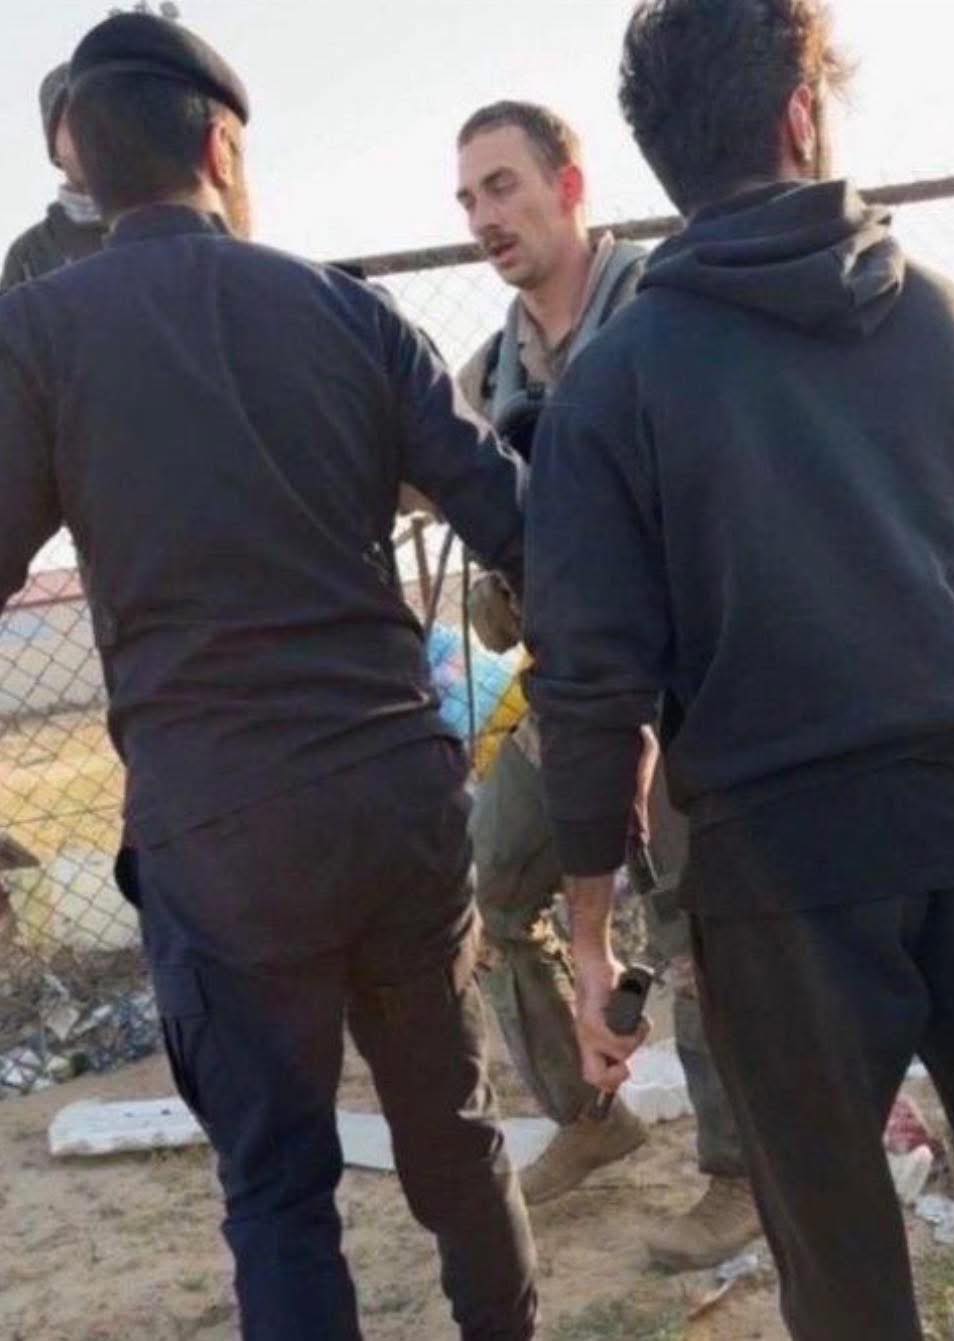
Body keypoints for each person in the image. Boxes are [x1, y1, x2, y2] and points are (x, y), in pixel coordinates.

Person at [522, 2, 954, 1338]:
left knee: (837, 1247)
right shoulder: (947, 321)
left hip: (783, 853)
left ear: (658, 151)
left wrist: (587, 929)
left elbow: (590, 689)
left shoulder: (613, 388)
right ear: (801, 112)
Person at [0, 14, 537, 1341]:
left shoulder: (40, 334)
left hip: (218, 828)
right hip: (395, 798)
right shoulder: (348, 310)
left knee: (279, 1191)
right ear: (223, 148)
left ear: (85, 171)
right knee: (455, 1136)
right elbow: (517, 520)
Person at [451, 99, 760, 1267]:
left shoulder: (663, 310)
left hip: (688, 683)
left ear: (569, 186)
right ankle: (592, 1115)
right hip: (572, 691)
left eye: (503, 185)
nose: (485, 217)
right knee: (492, 891)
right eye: (468, 199)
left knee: (695, 927)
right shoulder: (490, 373)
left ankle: (736, 1173)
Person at [1, 64, 105, 292]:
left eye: (96, 118)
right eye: (71, 122)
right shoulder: (28, 256)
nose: (87, 134)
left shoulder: (160, 229)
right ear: (53, 147)